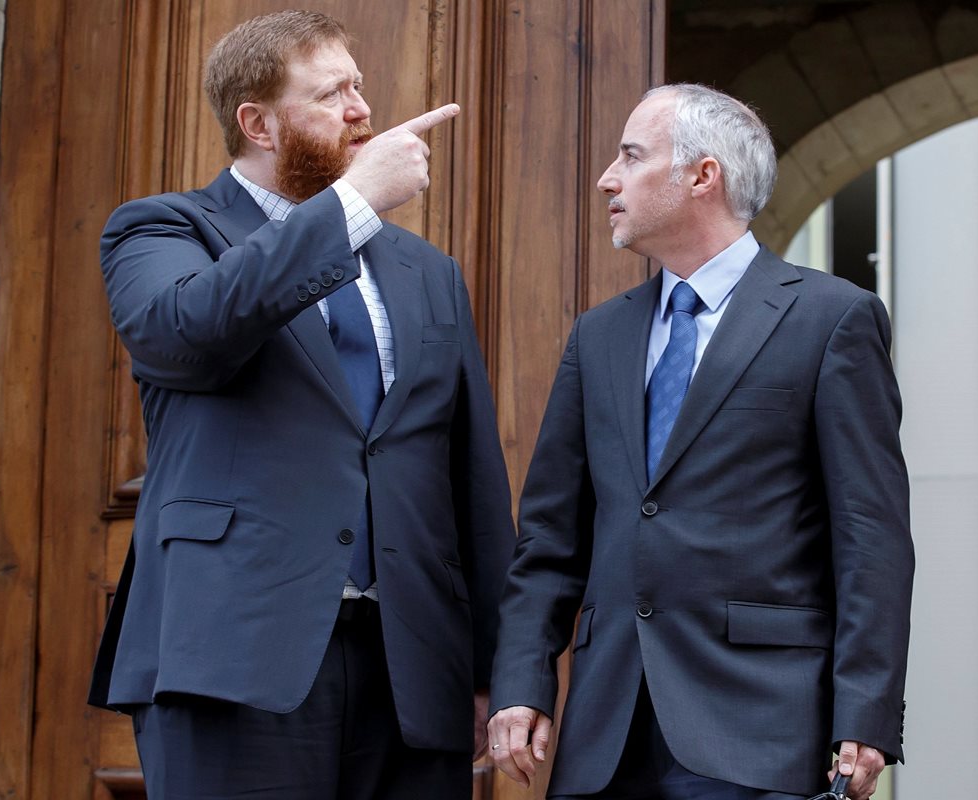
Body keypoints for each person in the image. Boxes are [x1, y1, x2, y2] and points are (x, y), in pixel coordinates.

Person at [87, 10, 515, 799]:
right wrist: (355, 201)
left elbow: (469, 479)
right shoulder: (162, 232)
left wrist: (500, 669)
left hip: (412, 669)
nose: (361, 110)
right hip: (235, 660)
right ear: (258, 123)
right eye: (330, 95)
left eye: (359, 87)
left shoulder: (429, 273)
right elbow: (193, 330)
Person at [488, 83, 914, 800]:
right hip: (604, 738)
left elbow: (871, 536)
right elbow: (551, 538)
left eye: (630, 156)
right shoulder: (599, 336)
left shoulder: (831, 319)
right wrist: (520, 682)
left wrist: (865, 714)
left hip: (760, 731)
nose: (606, 179)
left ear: (702, 175)